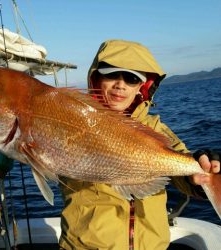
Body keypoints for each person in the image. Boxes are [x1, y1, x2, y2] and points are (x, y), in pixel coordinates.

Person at [58, 39, 220, 250]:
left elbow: (184, 172)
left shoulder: (156, 129)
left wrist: (200, 168)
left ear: (142, 88)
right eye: (111, 74)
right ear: (96, 78)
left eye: (132, 78)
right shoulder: (71, 122)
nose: (120, 84)